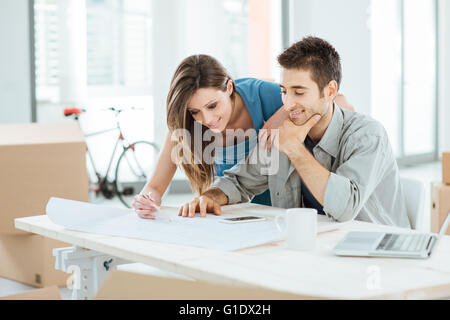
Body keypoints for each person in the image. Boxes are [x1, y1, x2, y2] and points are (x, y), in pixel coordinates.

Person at [178, 37, 411, 228]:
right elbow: (239, 181)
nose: (287, 105)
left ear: (330, 91)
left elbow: (345, 208)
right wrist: (210, 197)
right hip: (313, 251)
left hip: (375, 251)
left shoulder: (368, 135)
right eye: (283, 91)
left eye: (299, 92)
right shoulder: (286, 132)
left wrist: (294, 149)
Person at [132, 54, 354, 219]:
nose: (207, 119)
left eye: (212, 105)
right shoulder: (188, 123)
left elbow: (340, 104)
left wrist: (282, 113)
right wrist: (147, 201)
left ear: (229, 87)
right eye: (195, 111)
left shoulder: (265, 95)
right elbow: (154, 187)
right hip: (233, 218)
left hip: (281, 215)